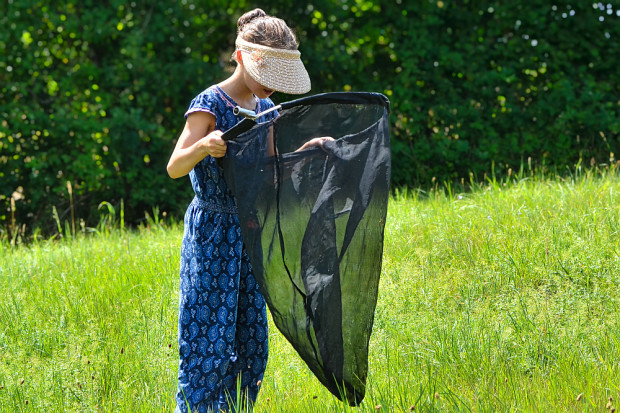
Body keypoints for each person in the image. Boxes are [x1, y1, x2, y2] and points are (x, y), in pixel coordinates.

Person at [166, 8, 323, 413]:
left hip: (251, 234)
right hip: (213, 234)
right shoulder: (208, 103)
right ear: (240, 58)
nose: (272, 87)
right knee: (209, 340)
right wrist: (203, 146)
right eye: (266, 75)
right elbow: (174, 165)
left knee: (250, 340)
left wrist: (304, 155)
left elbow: (269, 174)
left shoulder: (267, 110)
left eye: (278, 80)